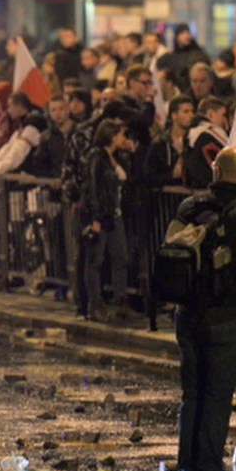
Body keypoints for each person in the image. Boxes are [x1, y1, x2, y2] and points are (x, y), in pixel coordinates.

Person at [173, 146, 236, 471]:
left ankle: (188, 469)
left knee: (192, 392)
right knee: (216, 394)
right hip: (227, 313)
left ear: (215, 170)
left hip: (187, 312)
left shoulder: (189, 206)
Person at [82, 120, 133, 322]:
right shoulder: (97, 157)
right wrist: (95, 217)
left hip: (115, 214)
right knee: (95, 259)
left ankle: (121, 301)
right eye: (121, 135)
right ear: (112, 136)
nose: (124, 139)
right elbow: (94, 188)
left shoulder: (116, 156)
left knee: (121, 257)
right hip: (102, 216)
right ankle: (95, 303)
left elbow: (126, 177)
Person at [145, 94, 194, 188]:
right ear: (174, 115)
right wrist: (172, 175)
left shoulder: (195, 140)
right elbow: (149, 177)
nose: (191, 115)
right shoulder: (160, 143)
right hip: (168, 199)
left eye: (192, 111)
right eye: (186, 112)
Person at [184, 96, 229, 189]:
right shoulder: (210, 133)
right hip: (213, 188)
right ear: (211, 114)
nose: (225, 120)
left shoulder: (191, 133)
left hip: (195, 188)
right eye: (223, 115)